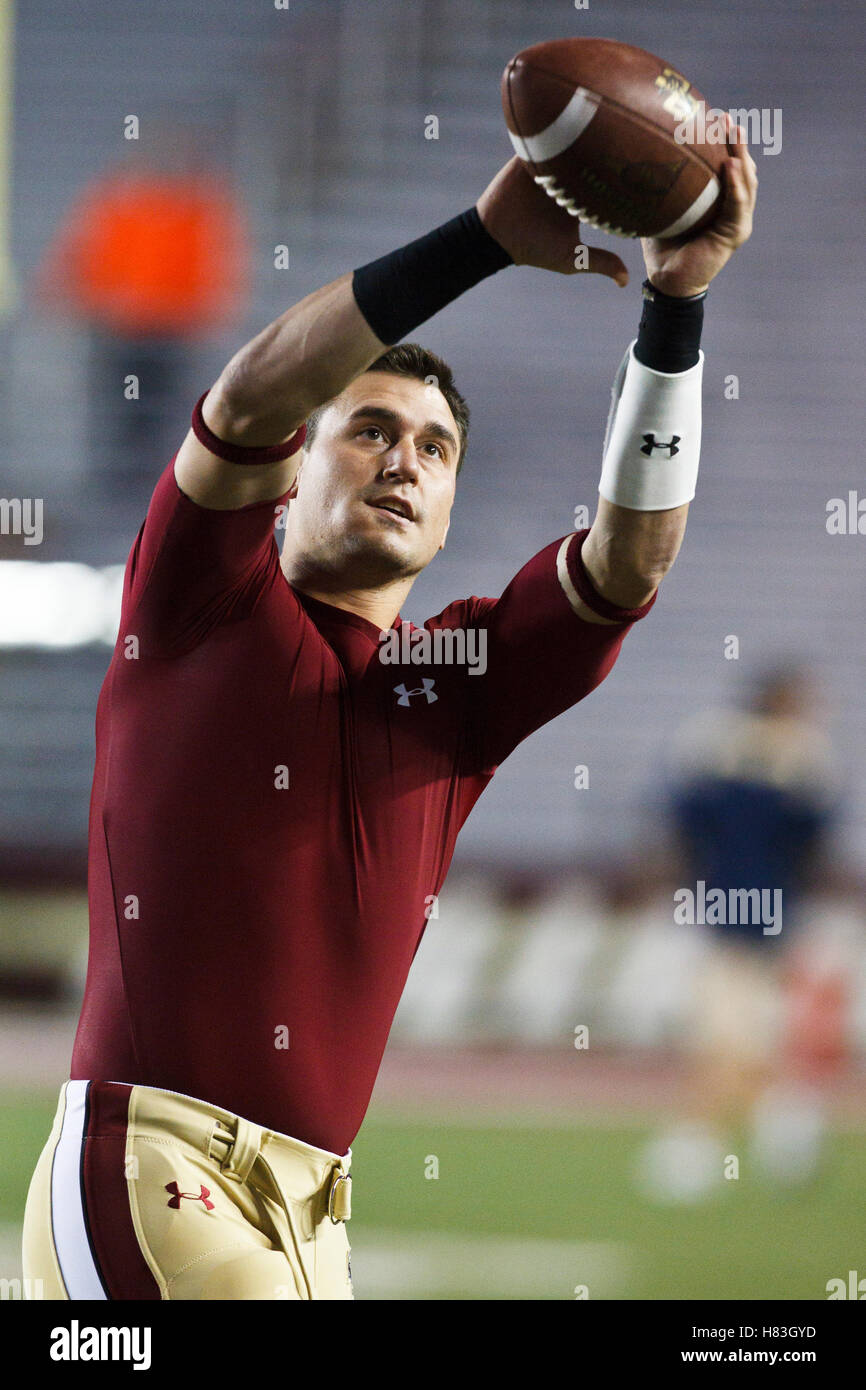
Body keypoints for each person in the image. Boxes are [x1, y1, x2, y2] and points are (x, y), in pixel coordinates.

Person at [22, 120, 758, 1299]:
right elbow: (250, 396)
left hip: (314, 1208)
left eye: (433, 445)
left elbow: (626, 561)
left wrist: (675, 310)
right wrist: (478, 241)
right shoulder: (199, 596)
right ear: (290, 479)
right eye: (366, 429)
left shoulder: (455, 683)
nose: (402, 459)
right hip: (150, 1170)